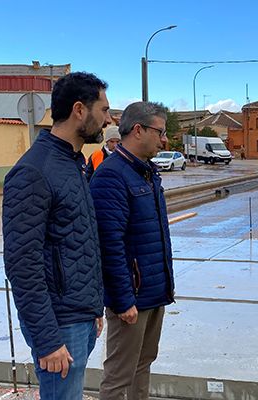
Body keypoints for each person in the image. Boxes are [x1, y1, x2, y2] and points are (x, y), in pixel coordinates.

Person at [2, 72, 112, 400]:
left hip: (79, 316)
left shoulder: (74, 164)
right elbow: (22, 264)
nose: (108, 119)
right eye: (104, 110)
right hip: (58, 325)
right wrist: (47, 339)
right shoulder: (34, 172)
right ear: (80, 110)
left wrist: (94, 307)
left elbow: (79, 241)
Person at [90, 102, 174, 400]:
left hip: (152, 292)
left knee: (143, 364)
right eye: (160, 132)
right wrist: (123, 300)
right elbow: (109, 244)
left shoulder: (147, 173)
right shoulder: (111, 176)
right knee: (119, 375)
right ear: (138, 130)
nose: (164, 139)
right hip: (132, 299)